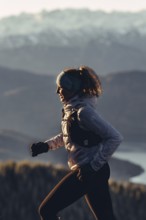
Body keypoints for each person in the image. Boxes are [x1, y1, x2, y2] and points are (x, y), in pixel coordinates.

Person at [30, 66, 123, 220]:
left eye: (61, 87)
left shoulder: (84, 112)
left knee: (47, 211)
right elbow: (69, 135)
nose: (57, 92)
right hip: (92, 172)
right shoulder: (72, 111)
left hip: (91, 172)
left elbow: (115, 137)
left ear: (72, 88)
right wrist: (46, 146)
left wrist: (92, 167)